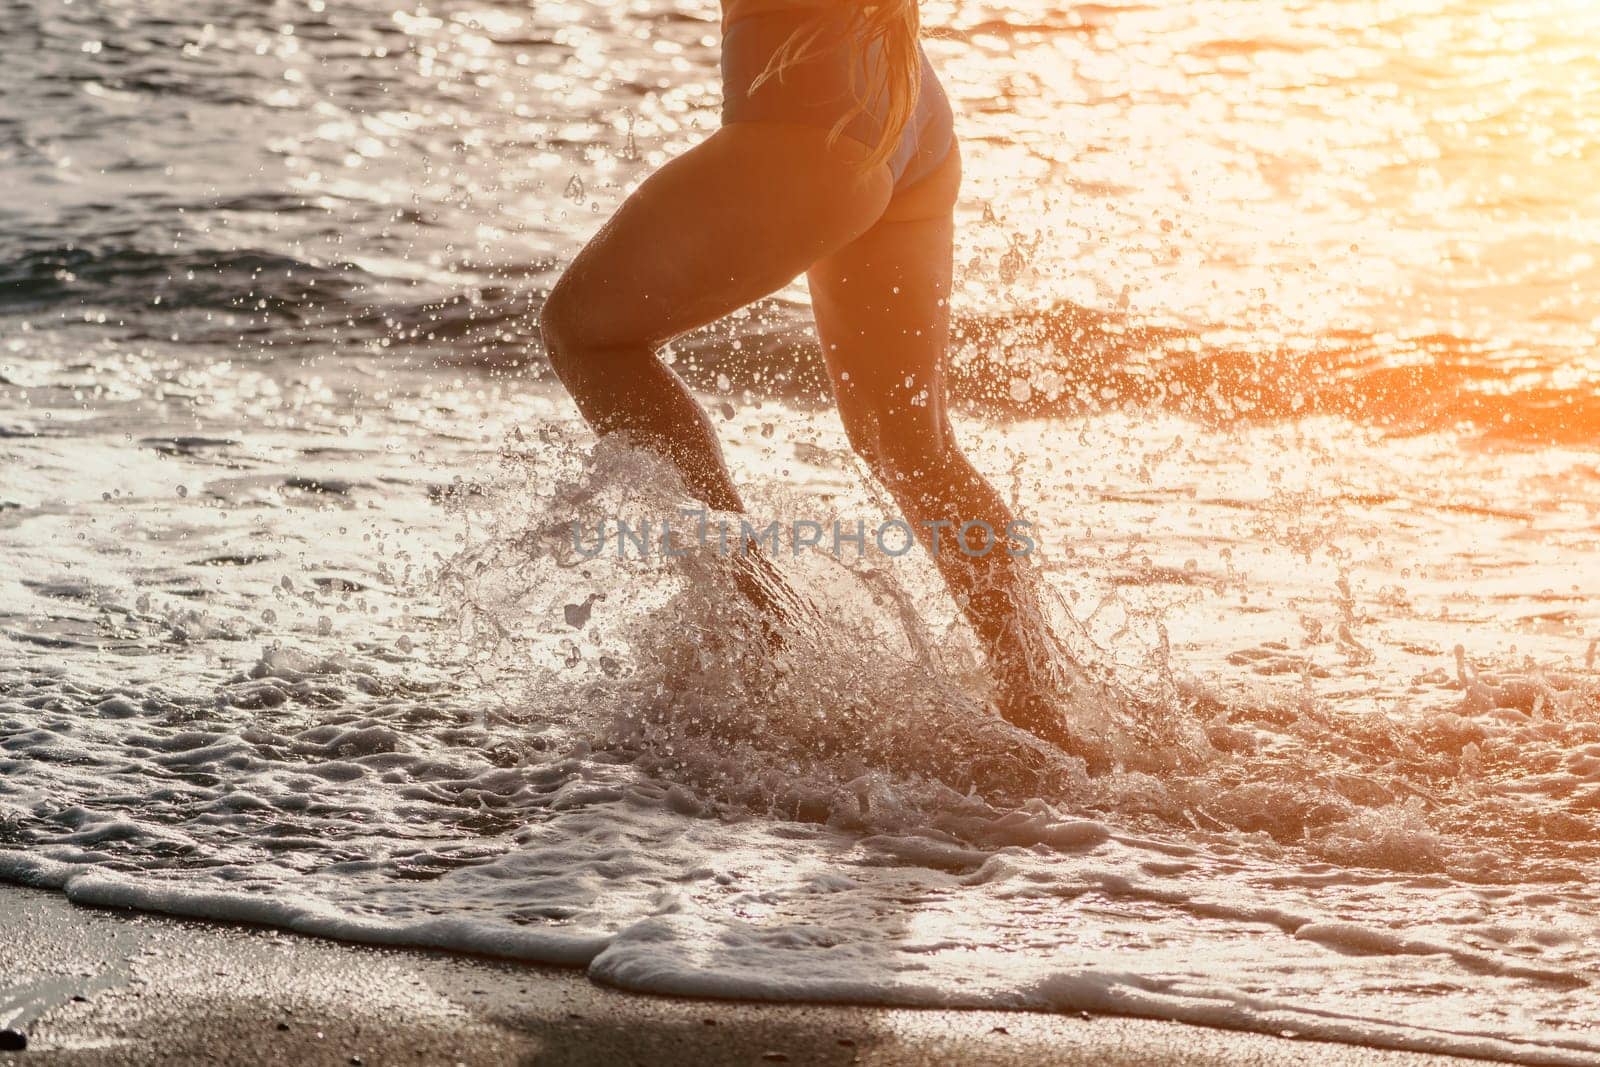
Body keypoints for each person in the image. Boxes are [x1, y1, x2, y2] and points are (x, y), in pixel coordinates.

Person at [539, 0, 1074, 750]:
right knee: (910, 445)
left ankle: (766, 637)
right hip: (907, 107)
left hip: (805, 121)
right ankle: (1044, 711)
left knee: (583, 334)